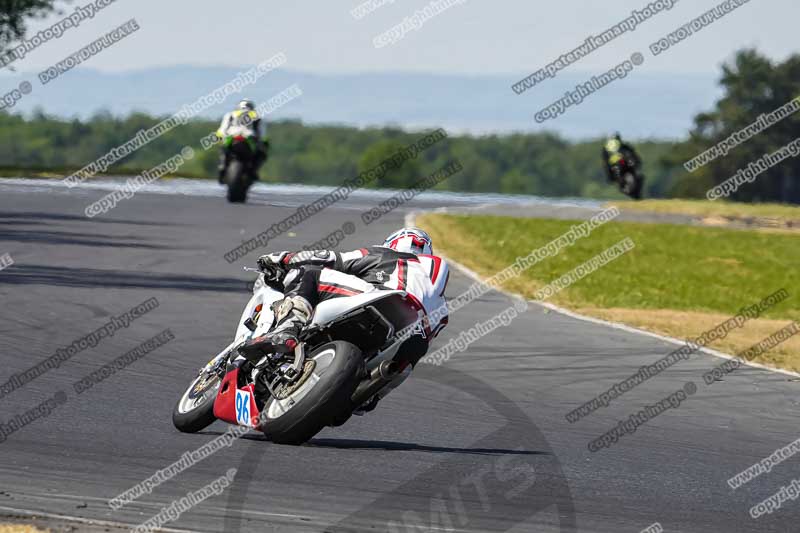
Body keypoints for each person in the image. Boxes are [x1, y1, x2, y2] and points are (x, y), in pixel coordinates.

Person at [239, 227, 449, 412]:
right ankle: (366, 395)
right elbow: (427, 340)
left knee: (311, 274)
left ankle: (286, 330)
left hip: (380, 300)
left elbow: (328, 257)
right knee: (405, 363)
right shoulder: (442, 304)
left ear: (393, 242)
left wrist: (283, 258)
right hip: (411, 339)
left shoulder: (384, 253)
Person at [216, 99, 269, 183]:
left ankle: (222, 166)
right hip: (249, 138)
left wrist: (219, 137)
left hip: (231, 136)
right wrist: (264, 143)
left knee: (223, 148)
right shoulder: (257, 116)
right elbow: (262, 134)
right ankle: (254, 171)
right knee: (261, 153)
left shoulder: (230, 114)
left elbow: (222, 130)